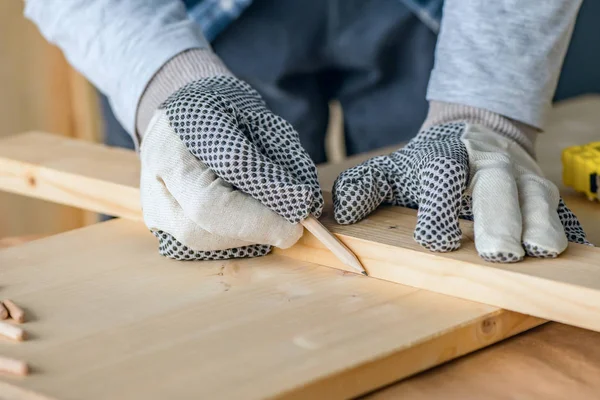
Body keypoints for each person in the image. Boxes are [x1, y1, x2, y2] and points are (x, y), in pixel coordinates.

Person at [24, 0, 591, 264]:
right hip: (182, 16)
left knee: (455, 208)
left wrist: (486, 111)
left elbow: (483, 120)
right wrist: (168, 84)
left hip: (441, 17)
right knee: (203, 215)